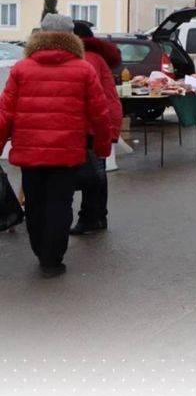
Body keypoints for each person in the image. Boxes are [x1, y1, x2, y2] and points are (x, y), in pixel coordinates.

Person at [0, 13, 112, 277]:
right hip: (67, 153)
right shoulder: (83, 69)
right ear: (71, 37)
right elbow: (100, 113)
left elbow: (5, 112)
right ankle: (52, 259)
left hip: (29, 153)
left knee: (35, 203)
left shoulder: (21, 68)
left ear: (39, 35)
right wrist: (102, 147)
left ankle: (41, 250)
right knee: (60, 204)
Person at [69, 20, 123, 236]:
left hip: (94, 123)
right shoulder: (95, 56)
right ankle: (98, 216)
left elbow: (89, 97)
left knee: (92, 173)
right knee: (97, 171)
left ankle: (90, 217)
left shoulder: (87, 58)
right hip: (103, 119)